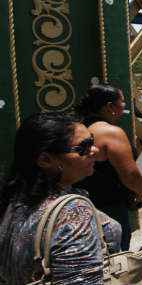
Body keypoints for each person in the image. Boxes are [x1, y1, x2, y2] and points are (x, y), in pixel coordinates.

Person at [0, 112, 121, 284]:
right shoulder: (73, 213)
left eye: (92, 141)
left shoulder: (14, 199)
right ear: (45, 159)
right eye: (84, 147)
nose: (94, 150)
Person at [75, 84, 142, 251]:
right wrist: (140, 193)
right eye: (122, 101)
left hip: (81, 205)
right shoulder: (110, 132)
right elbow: (131, 175)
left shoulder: (79, 128)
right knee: (116, 257)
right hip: (109, 208)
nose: (125, 106)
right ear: (110, 107)